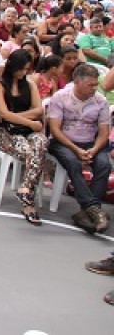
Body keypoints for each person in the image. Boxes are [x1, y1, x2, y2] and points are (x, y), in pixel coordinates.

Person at [47, 63, 111, 234]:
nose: (94, 88)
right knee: (72, 162)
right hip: (64, 141)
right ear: (77, 82)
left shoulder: (100, 101)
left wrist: (94, 149)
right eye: (90, 84)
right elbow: (55, 129)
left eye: (95, 84)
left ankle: (87, 213)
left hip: (91, 142)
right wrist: (76, 149)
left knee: (104, 164)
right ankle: (93, 208)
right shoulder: (60, 97)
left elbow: (104, 132)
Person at [0, 50, 49, 225]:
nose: (24, 73)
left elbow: (39, 110)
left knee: (41, 142)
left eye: (27, 69)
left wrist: (17, 116)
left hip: (26, 131)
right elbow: (3, 114)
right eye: (21, 69)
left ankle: (25, 189)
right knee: (34, 152)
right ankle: (28, 202)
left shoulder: (29, 85)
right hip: (6, 133)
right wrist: (29, 121)